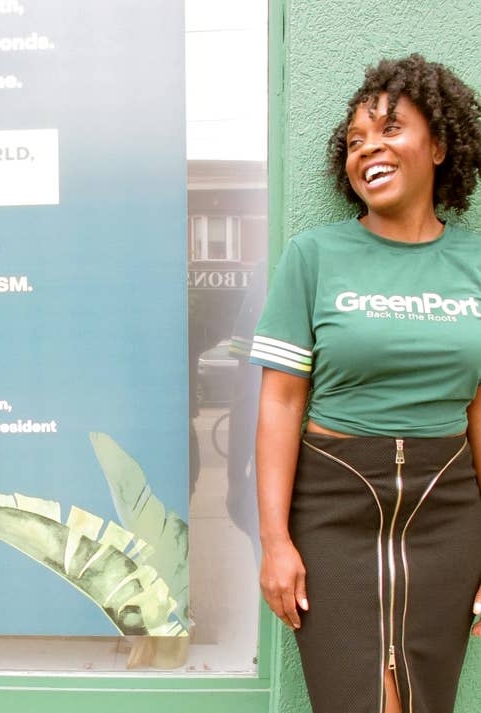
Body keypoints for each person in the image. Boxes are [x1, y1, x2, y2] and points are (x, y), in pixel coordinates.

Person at [246, 54, 481, 713]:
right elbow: (281, 399)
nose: (368, 149)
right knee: (359, 698)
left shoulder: (474, 262)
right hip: (333, 506)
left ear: (438, 145)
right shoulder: (315, 256)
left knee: (423, 697)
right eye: (355, 141)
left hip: (447, 508)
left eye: (389, 130)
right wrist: (275, 540)